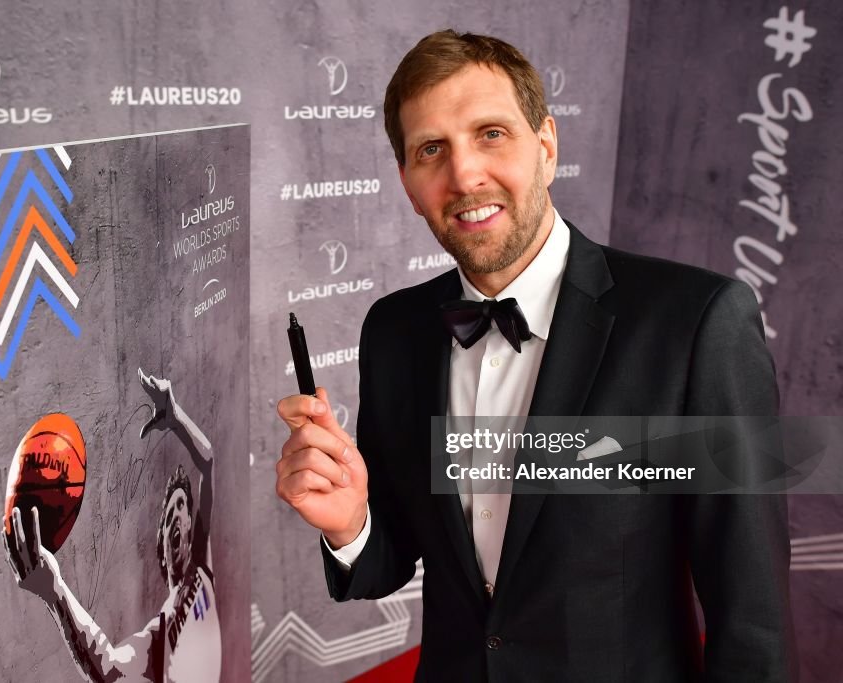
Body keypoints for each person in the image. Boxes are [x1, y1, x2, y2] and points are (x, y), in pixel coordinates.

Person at [275, 30, 795, 682]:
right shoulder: (394, 330)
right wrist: (350, 522)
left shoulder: (695, 325)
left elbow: (753, 622)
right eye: (432, 149)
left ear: (546, 147)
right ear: (408, 182)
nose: (464, 173)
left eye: (491, 133)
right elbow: (391, 560)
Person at [3, 369, 220, 683]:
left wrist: (177, 419)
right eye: (170, 514)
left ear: (191, 527)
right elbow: (109, 670)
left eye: (181, 508)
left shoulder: (202, 569)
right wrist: (55, 592)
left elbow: (208, 463)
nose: (176, 518)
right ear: (162, 551)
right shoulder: (159, 635)